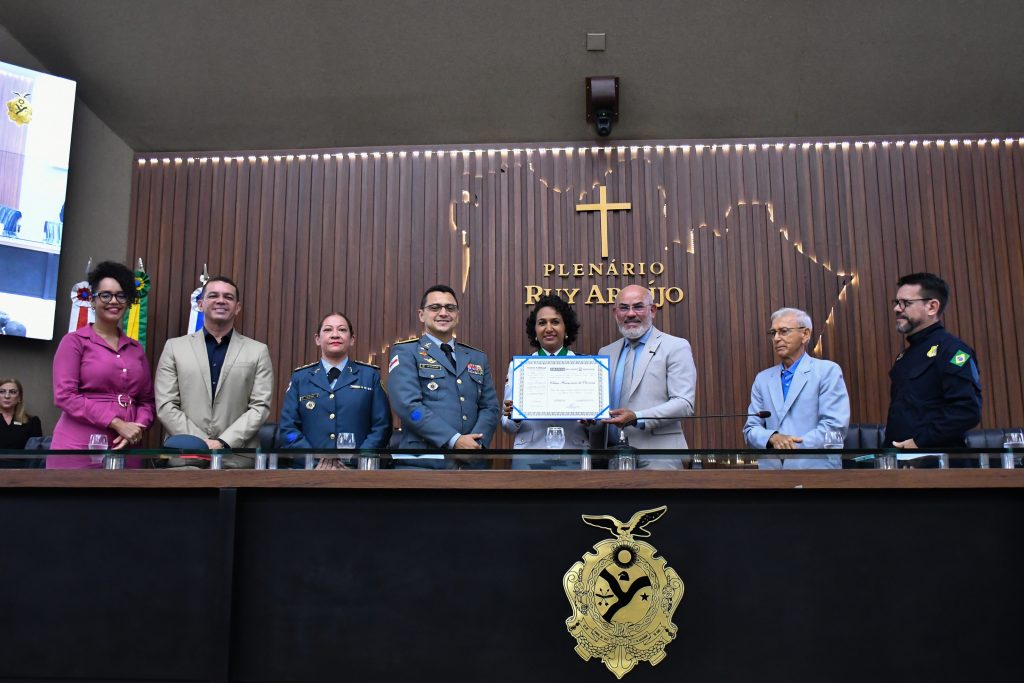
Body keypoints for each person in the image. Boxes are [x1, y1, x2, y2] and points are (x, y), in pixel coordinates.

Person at [155, 275, 273, 468]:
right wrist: (200, 444)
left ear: (237, 307)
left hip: (236, 458)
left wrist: (223, 442)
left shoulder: (258, 351)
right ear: (201, 304)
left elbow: (260, 406)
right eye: (213, 296)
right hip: (184, 457)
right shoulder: (174, 348)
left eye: (228, 297)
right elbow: (166, 404)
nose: (221, 300)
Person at [50, 261, 156, 468]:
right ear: (92, 300)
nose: (113, 301)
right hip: (78, 447)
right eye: (105, 295)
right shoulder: (74, 342)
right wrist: (117, 423)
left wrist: (137, 427)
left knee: (126, 501)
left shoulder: (136, 349)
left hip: (127, 448)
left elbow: (147, 401)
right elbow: (65, 396)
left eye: (121, 295)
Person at [387, 284, 499, 467]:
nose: (443, 313)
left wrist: (474, 444)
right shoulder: (406, 352)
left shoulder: (477, 357)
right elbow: (409, 407)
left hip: (472, 465)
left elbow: (490, 408)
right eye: (435, 307)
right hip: (424, 464)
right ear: (421, 315)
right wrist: (454, 440)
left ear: (457, 315)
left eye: (450, 308)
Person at [592, 284, 696, 469]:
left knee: (658, 500)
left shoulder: (675, 347)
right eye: (624, 308)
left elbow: (684, 403)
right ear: (616, 313)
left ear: (653, 310)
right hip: (612, 458)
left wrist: (637, 417)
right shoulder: (606, 352)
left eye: (638, 306)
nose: (631, 313)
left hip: (660, 456)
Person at [278, 312, 392, 468]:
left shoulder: (369, 376)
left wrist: (358, 460)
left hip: (357, 472)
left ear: (352, 339)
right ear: (317, 339)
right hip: (309, 472)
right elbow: (288, 429)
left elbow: (382, 427)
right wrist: (312, 461)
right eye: (328, 330)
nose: (335, 335)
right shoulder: (300, 378)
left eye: (342, 330)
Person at [743, 308, 850, 469]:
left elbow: (834, 430)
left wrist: (789, 445)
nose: (777, 338)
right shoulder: (762, 379)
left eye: (783, 331)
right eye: (773, 333)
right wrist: (772, 437)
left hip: (817, 473)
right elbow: (750, 430)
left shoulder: (827, 371)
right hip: (771, 478)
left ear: (805, 334)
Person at [886, 272, 981, 449]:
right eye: (896, 303)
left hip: (938, 465)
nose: (897, 309)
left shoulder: (953, 350)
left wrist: (919, 441)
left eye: (905, 303)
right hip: (901, 463)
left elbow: (967, 410)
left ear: (932, 307)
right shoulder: (905, 356)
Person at [501, 295, 590, 468]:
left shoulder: (586, 365)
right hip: (529, 458)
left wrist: (592, 421)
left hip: (575, 456)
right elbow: (507, 426)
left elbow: (599, 427)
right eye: (542, 323)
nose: (549, 328)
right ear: (535, 331)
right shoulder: (519, 367)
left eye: (555, 322)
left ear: (566, 329)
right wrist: (514, 416)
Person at [0, 378, 43, 467]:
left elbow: (36, 455)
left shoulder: (32, 421)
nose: (7, 396)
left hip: (23, 471)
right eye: (2, 391)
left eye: (12, 392)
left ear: (19, 397)